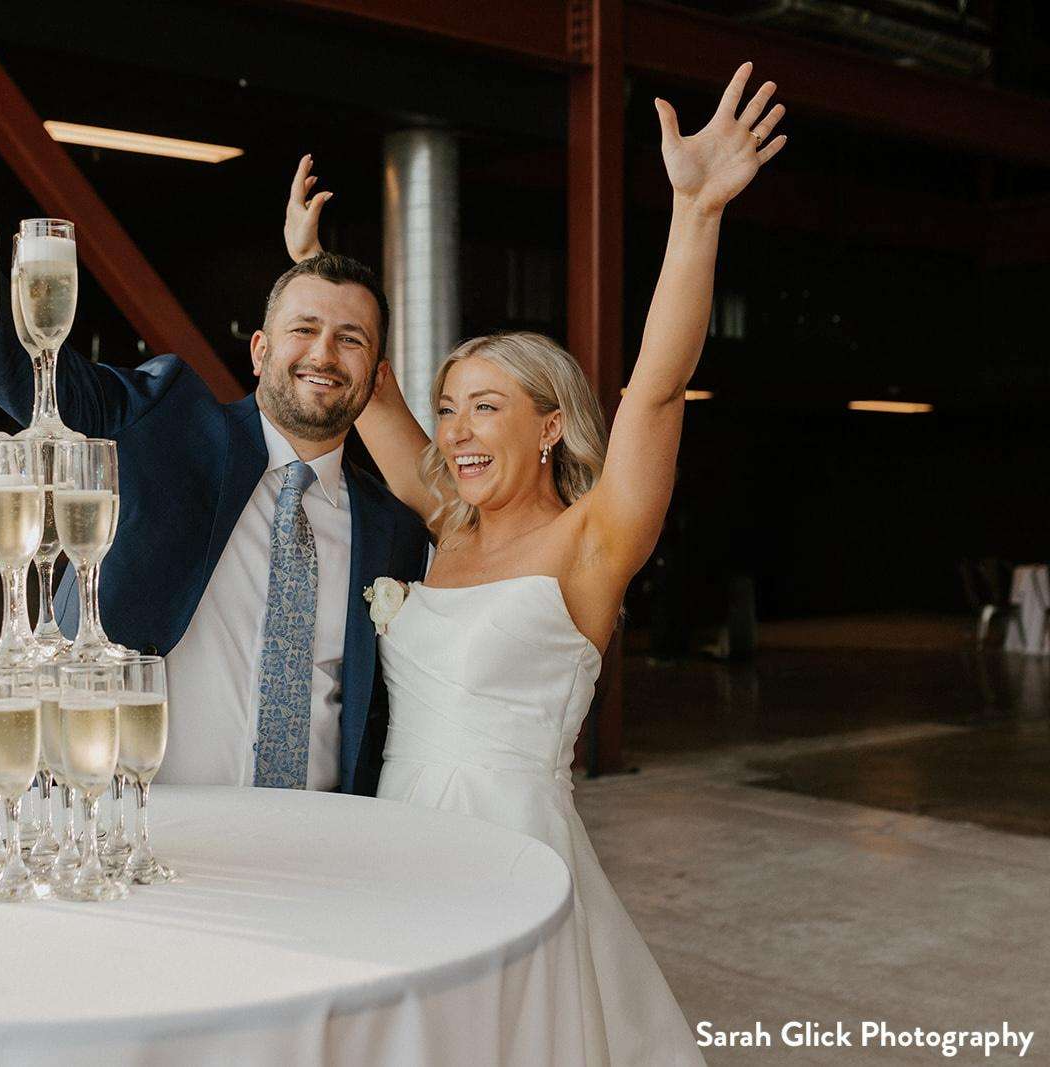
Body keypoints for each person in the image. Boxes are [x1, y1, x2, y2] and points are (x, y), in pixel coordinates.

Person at [293, 64, 787, 1063]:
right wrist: (313, 274)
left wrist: (694, 211)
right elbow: (366, 382)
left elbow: (655, 389)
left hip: (513, 852)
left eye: (488, 405)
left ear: (552, 425)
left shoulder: (593, 542)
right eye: (448, 405)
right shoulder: (446, 521)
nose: (457, 429)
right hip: (399, 840)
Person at [0, 151, 429, 795]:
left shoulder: (392, 531)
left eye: (352, 339)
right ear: (259, 351)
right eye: (303, 328)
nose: (323, 354)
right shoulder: (168, 419)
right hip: (135, 827)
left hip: (322, 839)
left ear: (378, 374)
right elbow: (35, 373)